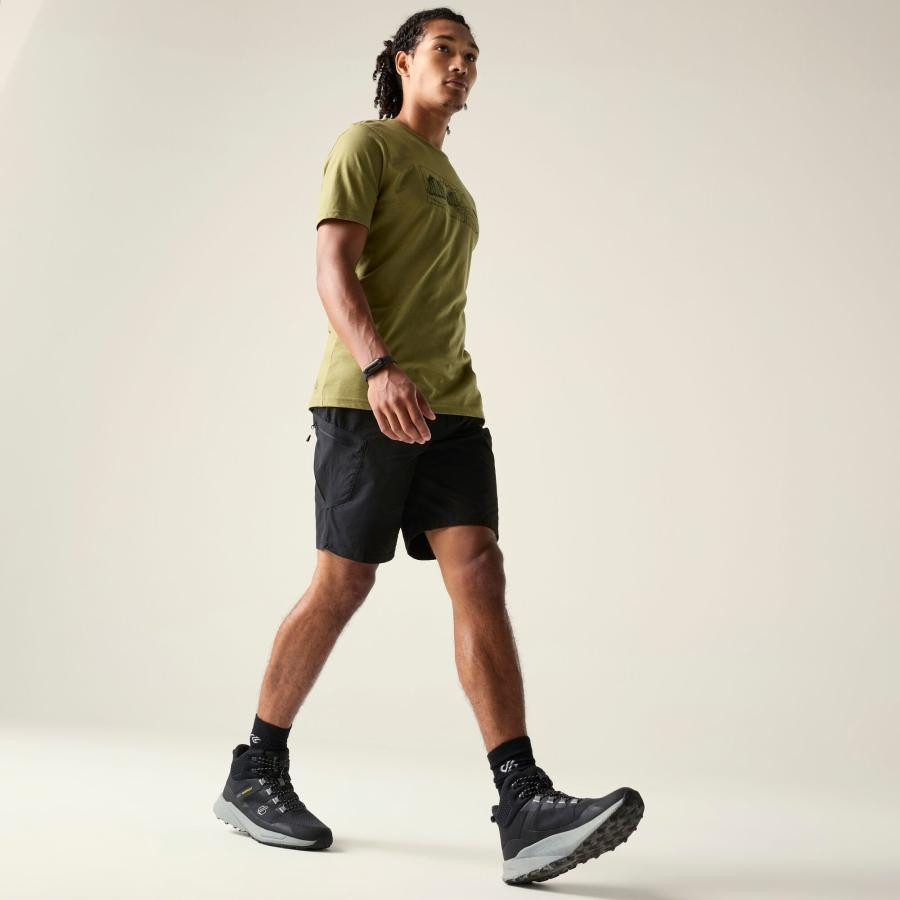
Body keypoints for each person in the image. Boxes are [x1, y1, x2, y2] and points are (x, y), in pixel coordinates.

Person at [213, 8, 644, 884]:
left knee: (479, 568)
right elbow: (333, 267)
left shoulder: (454, 183)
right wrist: (378, 367)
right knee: (344, 583)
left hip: (451, 406)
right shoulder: (367, 144)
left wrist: (436, 385)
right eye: (444, 50)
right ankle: (254, 770)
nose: (461, 65)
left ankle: (522, 801)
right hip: (366, 398)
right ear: (404, 62)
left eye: (472, 56)